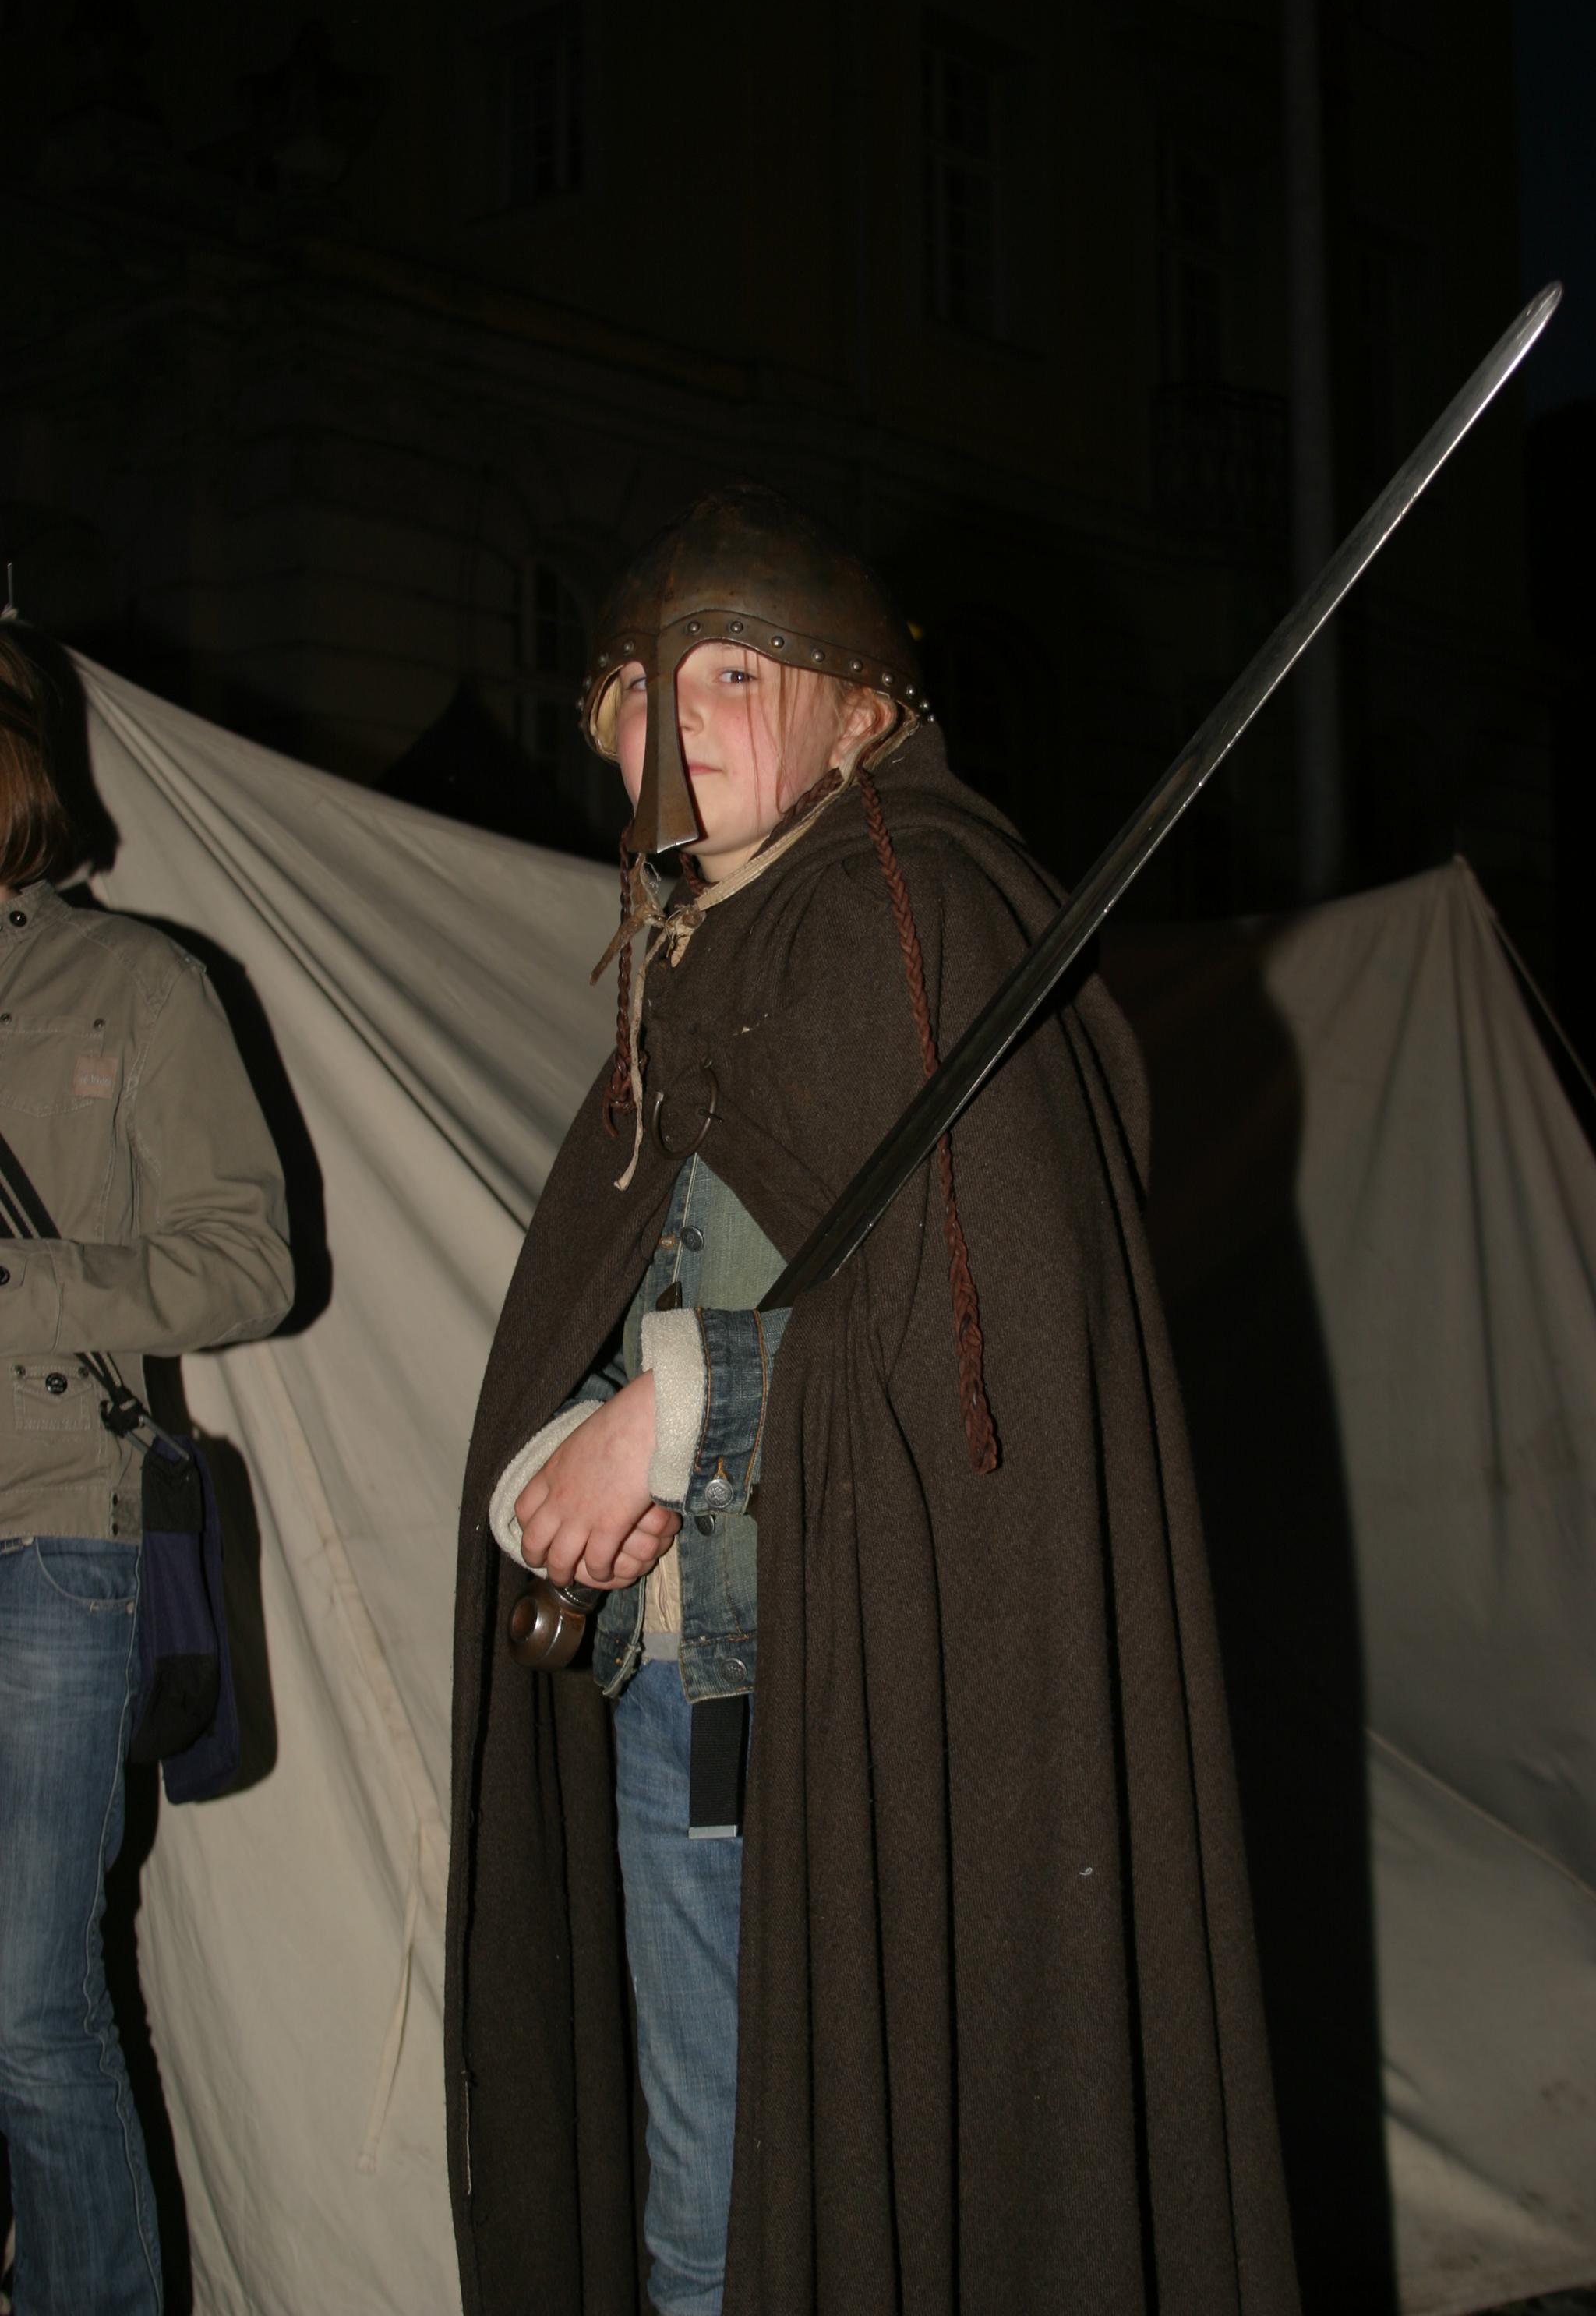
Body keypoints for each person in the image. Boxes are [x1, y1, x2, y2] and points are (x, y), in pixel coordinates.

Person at [447, 484, 1300, 2316]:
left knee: (767, 2212)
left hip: (868, 1678)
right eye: (634, 690)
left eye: (731, 673)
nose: (674, 718)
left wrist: (666, 1411)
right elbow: (672, 1271)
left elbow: (993, 1348)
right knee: (709, 2193)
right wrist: (564, 1431)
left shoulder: (907, 912)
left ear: (862, 715)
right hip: (684, 1669)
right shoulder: (696, 950)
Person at [0, 620, 294, 2316]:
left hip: (56, 1540)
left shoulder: (137, 983)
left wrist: (26, 1288)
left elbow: (250, 1266)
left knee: (28, 2007)